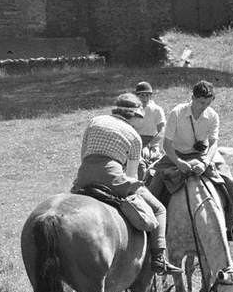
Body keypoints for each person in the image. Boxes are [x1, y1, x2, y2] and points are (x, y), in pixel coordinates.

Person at [72, 92, 183, 275]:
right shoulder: (134, 136)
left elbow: (84, 154)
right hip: (114, 179)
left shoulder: (95, 121)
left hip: (84, 176)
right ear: (135, 116)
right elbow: (131, 175)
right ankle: (158, 259)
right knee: (159, 210)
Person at [153, 80, 233, 241]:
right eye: (201, 102)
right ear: (192, 98)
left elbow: (213, 143)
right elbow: (167, 145)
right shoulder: (177, 113)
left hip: (202, 156)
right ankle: (153, 230)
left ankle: (231, 228)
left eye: (208, 103)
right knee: (153, 184)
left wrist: (204, 163)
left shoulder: (212, 115)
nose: (204, 106)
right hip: (175, 155)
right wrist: (178, 162)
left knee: (230, 183)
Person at [133, 81, 166, 170]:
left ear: (150, 96)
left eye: (147, 95)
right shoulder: (132, 110)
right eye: (142, 95)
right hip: (135, 142)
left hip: (152, 142)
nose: (144, 98)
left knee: (156, 165)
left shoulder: (157, 110)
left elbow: (161, 131)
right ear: (137, 96)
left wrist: (149, 145)